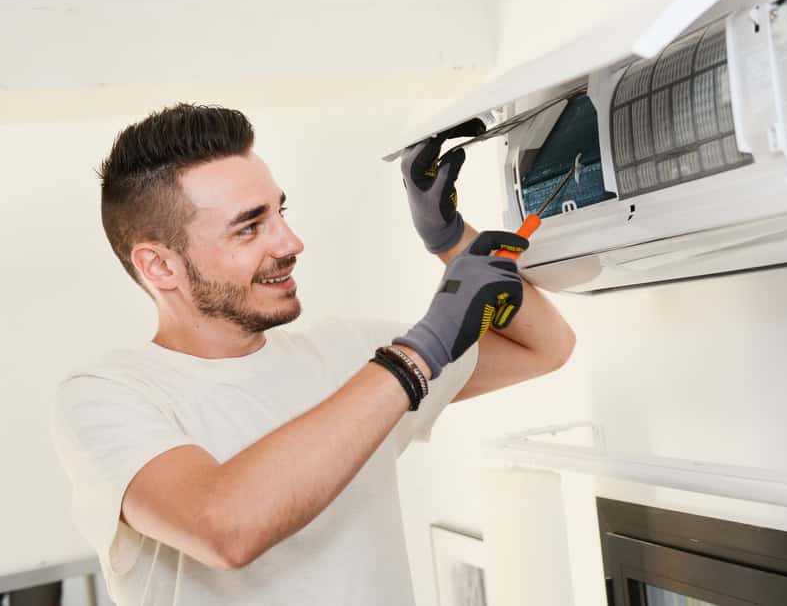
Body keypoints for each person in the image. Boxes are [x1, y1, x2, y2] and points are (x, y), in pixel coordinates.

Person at [50, 104, 575, 605]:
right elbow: (223, 528)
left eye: (280, 212)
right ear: (160, 267)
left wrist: (451, 238)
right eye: (250, 227)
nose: (291, 241)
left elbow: (543, 346)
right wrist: (418, 354)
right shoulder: (107, 396)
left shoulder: (349, 355)